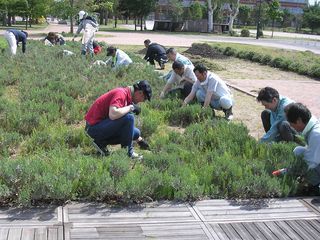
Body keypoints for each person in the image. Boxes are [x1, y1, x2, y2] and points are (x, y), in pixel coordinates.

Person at [85, 80, 152, 158]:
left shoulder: (127, 97)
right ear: (140, 92)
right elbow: (113, 114)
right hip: (92, 129)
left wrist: (140, 141)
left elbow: (123, 124)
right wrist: (131, 107)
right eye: (144, 98)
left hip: (100, 127)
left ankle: (100, 142)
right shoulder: (121, 93)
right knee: (129, 118)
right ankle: (128, 153)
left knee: (136, 132)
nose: (143, 101)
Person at [285, 103, 320, 187]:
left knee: (310, 168)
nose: (291, 126)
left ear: (299, 121)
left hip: (316, 163)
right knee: (298, 151)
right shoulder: (313, 125)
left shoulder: (316, 134)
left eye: (291, 123)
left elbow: (311, 163)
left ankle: (314, 188)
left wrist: (291, 171)